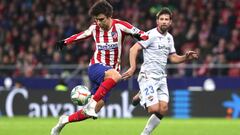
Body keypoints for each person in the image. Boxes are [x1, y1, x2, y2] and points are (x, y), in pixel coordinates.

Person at [51, 1, 148, 135]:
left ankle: (64, 120)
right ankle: (90, 104)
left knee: (94, 110)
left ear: (109, 16)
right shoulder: (94, 28)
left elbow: (143, 35)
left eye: (101, 19)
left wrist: (148, 38)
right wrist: (65, 42)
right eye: (96, 20)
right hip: (96, 67)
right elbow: (80, 36)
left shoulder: (121, 26)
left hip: (109, 75)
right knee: (116, 76)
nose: (98, 23)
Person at [122, 7, 198, 135]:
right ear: (157, 21)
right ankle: (141, 96)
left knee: (163, 109)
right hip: (148, 76)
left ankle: (145, 133)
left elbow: (173, 58)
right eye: (161, 19)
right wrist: (132, 67)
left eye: (166, 19)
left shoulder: (169, 38)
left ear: (170, 22)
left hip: (161, 77)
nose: (164, 21)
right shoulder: (150, 35)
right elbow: (133, 49)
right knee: (153, 109)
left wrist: (186, 57)